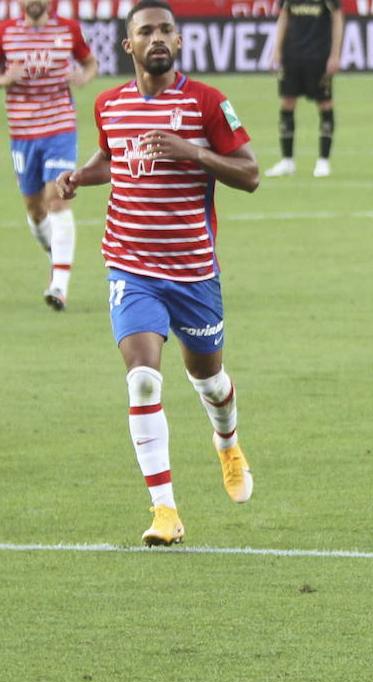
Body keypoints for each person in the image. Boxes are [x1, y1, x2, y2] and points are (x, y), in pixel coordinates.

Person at [55, 0, 260, 546]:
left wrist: (191, 152)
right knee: (143, 376)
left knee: (209, 380)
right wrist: (80, 175)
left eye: (167, 29)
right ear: (130, 46)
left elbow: (250, 173)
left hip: (193, 271)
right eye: (146, 31)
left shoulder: (208, 103)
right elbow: (112, 157)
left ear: (179, 41)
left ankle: (227, 444)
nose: (158, 38)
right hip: (130, 265)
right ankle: (164, 510)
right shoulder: (110, 105)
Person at [0, 0, 97, 310]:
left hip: (59, 128)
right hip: (23, 134)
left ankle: (59, 286)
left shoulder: (67, 30)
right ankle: (56, 254)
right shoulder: (5, 32)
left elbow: (90, 62)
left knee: (57, 198)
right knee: (35, 209)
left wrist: (84, 76)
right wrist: (6, 79)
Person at [265, 0, 343, 178]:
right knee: (287, 103)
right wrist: (276, 50)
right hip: (292, 55)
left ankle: (323, 161)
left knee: (325, 104)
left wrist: (335, 54)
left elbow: (337, 17)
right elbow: (283, 16)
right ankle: (287, 161)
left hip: (319, 56)